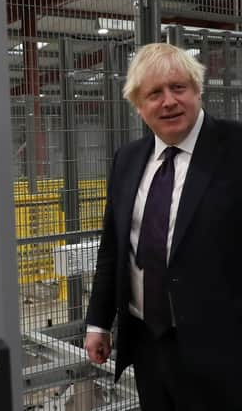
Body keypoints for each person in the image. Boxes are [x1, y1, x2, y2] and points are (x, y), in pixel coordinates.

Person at [84, 42, 242, 410]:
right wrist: (98, 323)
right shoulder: (128, 159)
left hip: (222, 352)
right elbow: (114, 248)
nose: (168, 101)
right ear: (139, 105)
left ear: (197, 91)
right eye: (154, 93)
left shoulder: (235, 149)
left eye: (178, 88)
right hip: (147, 344)